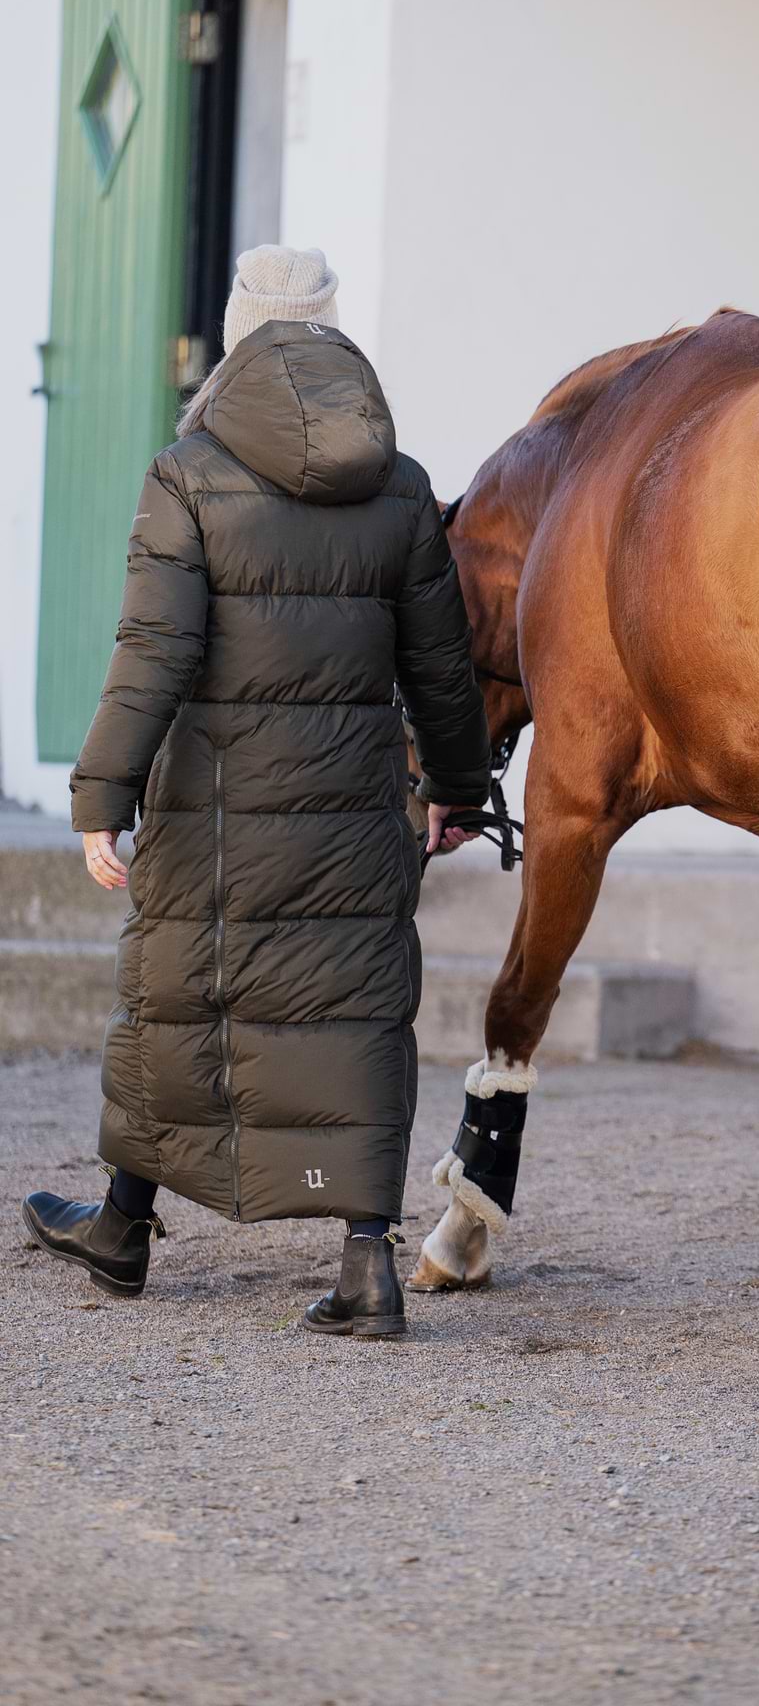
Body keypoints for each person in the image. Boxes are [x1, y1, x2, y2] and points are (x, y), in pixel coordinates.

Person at [21, 247, 491, 1341]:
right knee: (355, 1007)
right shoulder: (404, 482)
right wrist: (457, 786)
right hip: (356, 806)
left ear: (236, 337)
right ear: (330, 331)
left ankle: (126, 1232)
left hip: (214, 805)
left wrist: (105, 793)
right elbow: (441, 663)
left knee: (179, 999)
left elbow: (156, 651)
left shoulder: (188, 472)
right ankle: (366, 1261)